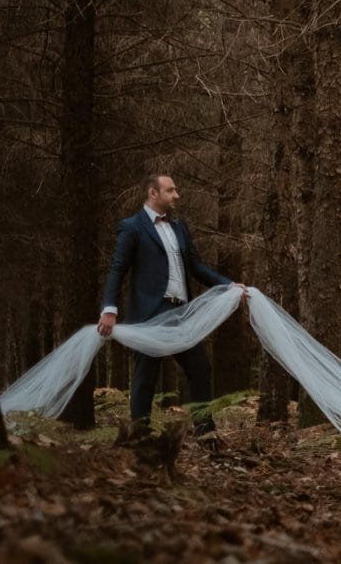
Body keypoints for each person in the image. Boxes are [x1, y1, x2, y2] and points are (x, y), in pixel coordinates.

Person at [98, 174, 244, 434]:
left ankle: (204, 430)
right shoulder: (132, 227)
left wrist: (228, 285)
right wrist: (110, 309)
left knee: (199, 367)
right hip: (149, 314)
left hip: (180, 314)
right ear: (153, 193)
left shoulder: (179, 227)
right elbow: (118, 268)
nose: (177, 195)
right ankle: (139, 435)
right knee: (146, 376)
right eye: (171, 190)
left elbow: (197, 267)